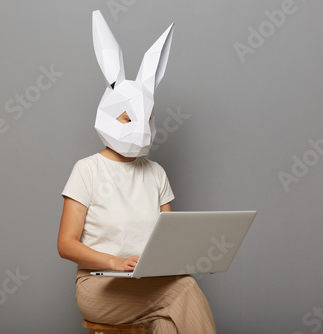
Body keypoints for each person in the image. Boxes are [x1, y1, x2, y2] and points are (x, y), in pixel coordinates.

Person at [57, 111, 217, 333]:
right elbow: (66, 245)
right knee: (184, 288)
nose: (139, 126)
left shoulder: (156, 172)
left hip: (149, 282)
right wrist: (114, 262)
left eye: (146, 119)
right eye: (129, 119)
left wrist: (197, 258)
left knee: (168, 323)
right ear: (109, 118)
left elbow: (169, 240)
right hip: (98, 285)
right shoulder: (87, 170)